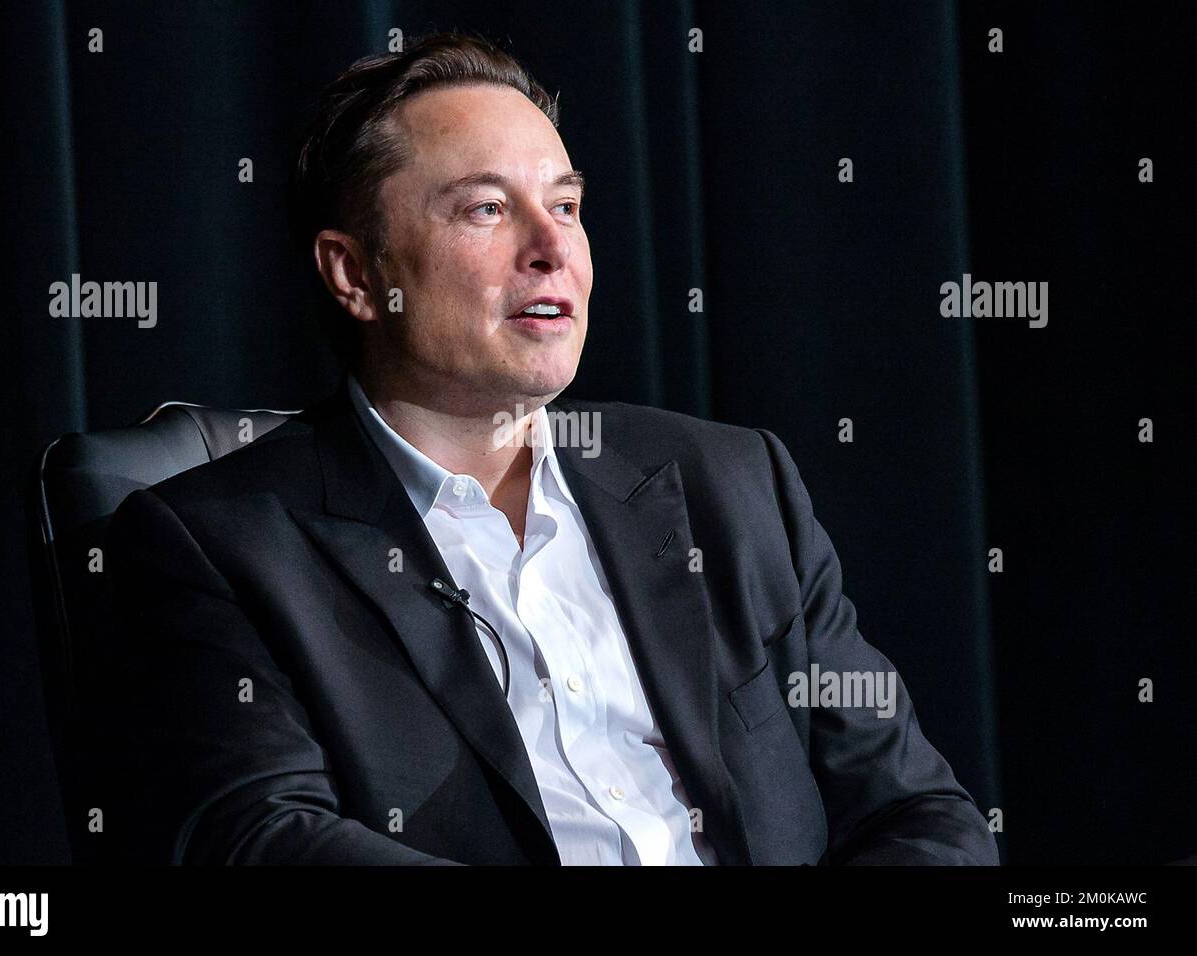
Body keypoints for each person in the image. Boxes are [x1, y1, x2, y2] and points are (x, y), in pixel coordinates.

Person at [106, 31, 999, 865]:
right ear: (356, 273)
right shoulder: (221, 548)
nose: (553, 247)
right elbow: (264, 839)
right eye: (488, 208)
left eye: (565, 204)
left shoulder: (732, 485)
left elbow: (919, 813)